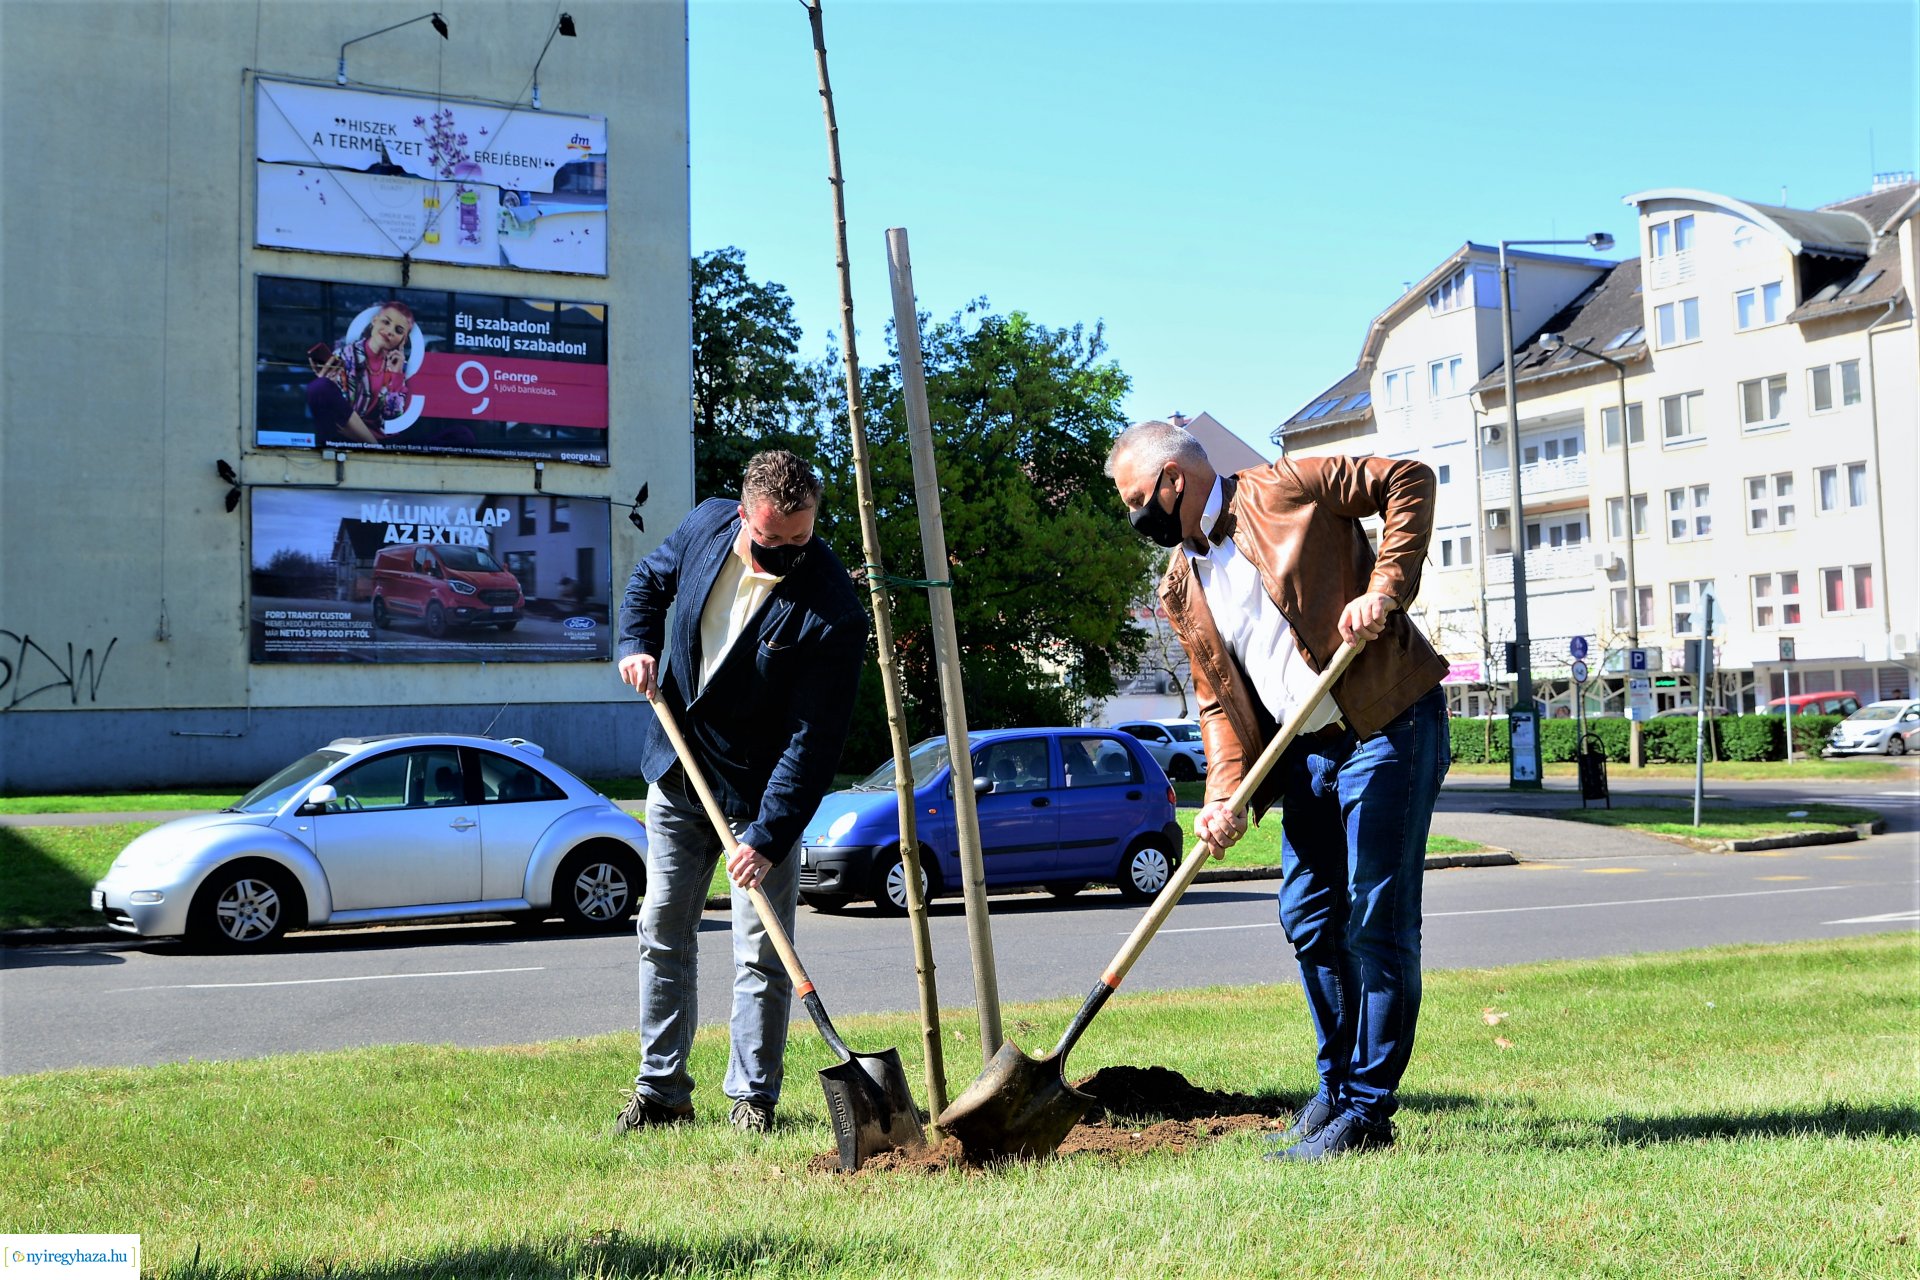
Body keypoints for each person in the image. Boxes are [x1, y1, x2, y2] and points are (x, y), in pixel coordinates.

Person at [1105, 420, 1450, 1161]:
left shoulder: (1286, 485)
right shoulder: (1180, 582)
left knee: (1376, 921)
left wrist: (1384, 589)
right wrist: (1224, 796)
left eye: (1136, 499)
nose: (1133, 516)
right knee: (1309, 917)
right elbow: (1215, 699)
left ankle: (1368, 1112)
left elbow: (1408, 478)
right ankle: (1335, 1091)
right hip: (1309, 755)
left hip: (1387, 723)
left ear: (1173, 482)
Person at [610, 450, 867, 1136]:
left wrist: (767, 834)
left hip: (759, 796)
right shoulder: (705, 525)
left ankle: (753, 1098)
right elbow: (649, 581)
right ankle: (662, 1091)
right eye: (771, 538)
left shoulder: (833, 609)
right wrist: (636, 642)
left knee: (760, 952)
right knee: (662, 930)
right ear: (744, 515)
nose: (785, 552)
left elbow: (812, 743)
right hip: (678, 772)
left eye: (800, 541)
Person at [306, 301, 415, 446]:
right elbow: (338, 409)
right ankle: (375, 448)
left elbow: (392, 416)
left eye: (398, 330)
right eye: (386, 322)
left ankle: (375, 447)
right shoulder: (344, 355)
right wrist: (330, 383)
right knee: (319, 387)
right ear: (374, 321)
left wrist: (396, 376)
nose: (389, 331)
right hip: (344, 439)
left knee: (453, 437)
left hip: (383, 440)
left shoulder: (398, 365)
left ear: (403, 340)